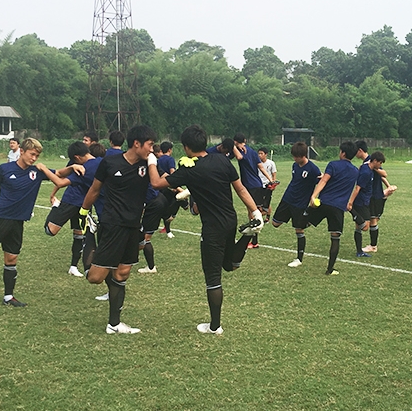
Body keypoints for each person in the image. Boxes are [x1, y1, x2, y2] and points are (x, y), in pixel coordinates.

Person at [148, 124, 263, 335]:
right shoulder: (221, 160)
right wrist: (254, 211)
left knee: (213, 278)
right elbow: (240, 188)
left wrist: (152, 160)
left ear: (185, 147)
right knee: (230, 265)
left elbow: (156, 183)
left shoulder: (189, 170)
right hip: (230, 220)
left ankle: (215, 326)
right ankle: (247, 236)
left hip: (213, 228)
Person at [0, 138, 75, 307]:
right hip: (0, 218)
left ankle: (8, 297)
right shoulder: (4, 169)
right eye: (32, 154)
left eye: (37, 155)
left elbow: (60, 174)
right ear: (22, 151)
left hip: (18, 221)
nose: (34, 158)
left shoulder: (37, 171)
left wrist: (72, 167)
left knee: (11, 258)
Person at [80, 125, 157, 334]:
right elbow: (95, 189)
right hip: (112, 224)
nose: (152, 149)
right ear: (136, 143)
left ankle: (114, 324)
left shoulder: (147, 165)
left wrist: (152, 164)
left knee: (122, 273)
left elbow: (158, 183)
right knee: (95, 277)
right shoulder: (110, 162)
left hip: (133, 226)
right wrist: (83, 212)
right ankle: (88, 237)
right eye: (150, 145)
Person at [44, 142, 104, 277]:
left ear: (76, 157)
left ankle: (73, 266)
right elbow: (62, 179)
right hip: (71, 200)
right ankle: (56, 207)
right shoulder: (95, 163)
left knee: (79, 235)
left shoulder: (86, 167)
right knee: (50, 230)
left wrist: (43, 168)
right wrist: (54, 194)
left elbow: (59, 180)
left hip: (85, 204)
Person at [306, 141, 359, 275]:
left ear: (343, 153)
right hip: (338, 208)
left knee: (302, 222)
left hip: (323, 203)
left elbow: (324, 181)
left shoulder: (333, 164)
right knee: (335, 238)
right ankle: (330, 269)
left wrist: (313, 195)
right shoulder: (355, 171)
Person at [272, 142, 322, 268]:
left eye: (296, 156)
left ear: (303, 155)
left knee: (299, 230)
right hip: (288, 198)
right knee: (275, 223)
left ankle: (299, 259)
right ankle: (307, 221)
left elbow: (322, 182)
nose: (294, 159)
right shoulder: (295, 165)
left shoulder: (313, 169)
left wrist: (314, 197)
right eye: (293, 156)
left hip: (300, 203)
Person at [355, 141, 397, 253]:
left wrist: (388, 186)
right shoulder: (366, 163)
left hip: (373, 195)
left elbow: (383, 174)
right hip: (370, 195)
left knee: (372, 220)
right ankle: (369, 246)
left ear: (359, 150)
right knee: (371, 219)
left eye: (355, 151)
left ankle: (373, 246)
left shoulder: (371, 160)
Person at [232, 133, 272, 249]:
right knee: (254, 212)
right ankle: (254, 240)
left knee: (252, 214)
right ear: (245, 140)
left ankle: (254, 241)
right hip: (258, 184)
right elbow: (261, 167)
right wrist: (270, 180)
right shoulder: (253, 152)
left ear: (235, 141)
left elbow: (238, 157)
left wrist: (234, 146)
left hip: (249, 186)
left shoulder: (240, 152)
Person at [347, 151, 386, 258]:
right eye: (380, 163)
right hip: (361, 202)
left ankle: (359, 251)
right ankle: (351, 210)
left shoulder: (369, 169)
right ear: (374, 161)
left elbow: (384, 175)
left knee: (359, 226)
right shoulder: (366, 172)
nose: (380, 166)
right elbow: (357, 188)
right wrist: (350, 202)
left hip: (366, 201)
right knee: (364, 227)